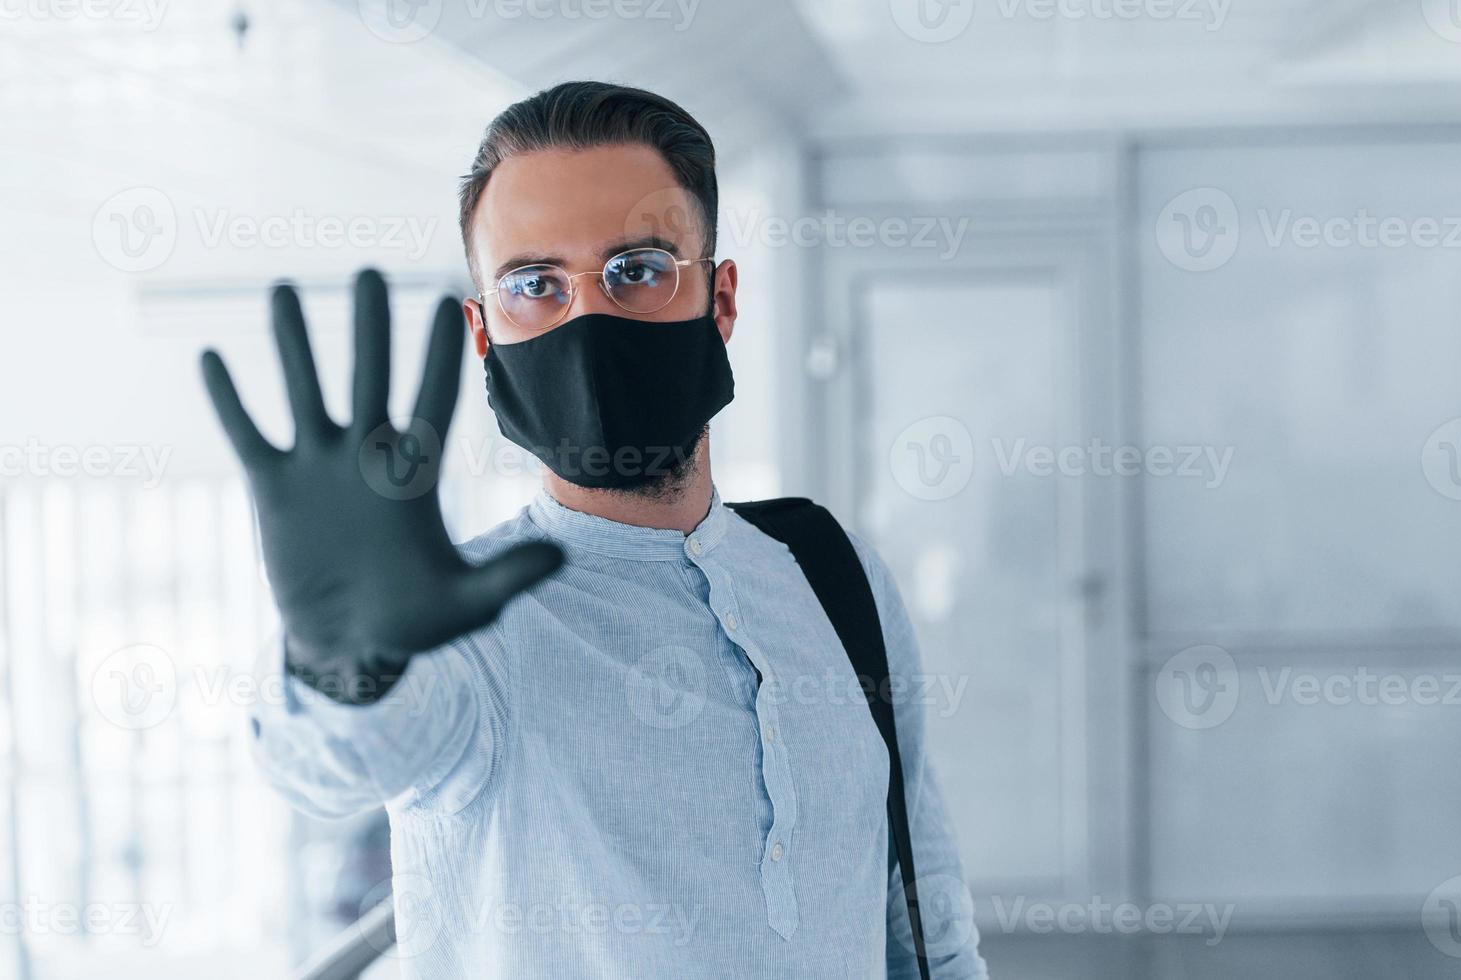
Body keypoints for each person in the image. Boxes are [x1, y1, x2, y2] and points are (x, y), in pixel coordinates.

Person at [202, 80, 986, 979]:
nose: (588, 319)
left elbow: (920, 908)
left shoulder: (834, 576)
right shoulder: (463, 636)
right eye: (535, 284)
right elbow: (336, 763)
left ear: (721, 302)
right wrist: (343, 664)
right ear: (486, 335)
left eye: (639, 270)